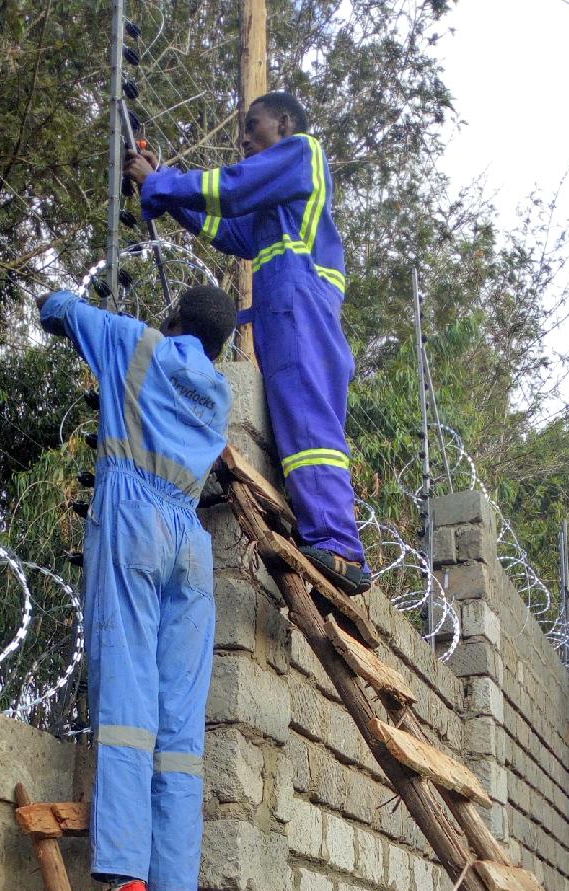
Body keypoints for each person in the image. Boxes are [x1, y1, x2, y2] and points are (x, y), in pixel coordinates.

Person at [38, 283, 237, 891]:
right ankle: (172, 885)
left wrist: (85, 307)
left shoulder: (135, 344)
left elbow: (58, 311)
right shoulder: (222, 393)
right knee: (178, 713)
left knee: (127, 691)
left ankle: (125, 878)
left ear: (174, 317)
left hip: (134, 516)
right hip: (190, 541)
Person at [124, 90, 371, 597]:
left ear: (284, 123)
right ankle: (325, 537)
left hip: (303, 307)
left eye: (251, 125)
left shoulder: (303, 152)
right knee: (297, 428)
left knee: (311, 427)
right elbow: (223, 226)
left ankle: (341, 550)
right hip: (285, 315)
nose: (242, 138)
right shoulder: (274, 206)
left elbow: (231, 188)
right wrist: (164, 186)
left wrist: (163, 181)